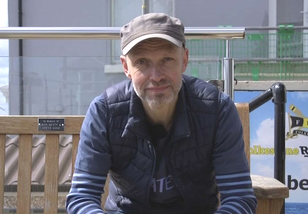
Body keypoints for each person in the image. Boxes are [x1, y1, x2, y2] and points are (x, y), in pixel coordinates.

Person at [66, 13, 257, 214]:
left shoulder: (217, 110)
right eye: (142, 62)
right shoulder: (104, 112)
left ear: (184, 60)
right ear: (126, 67)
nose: (156, 76)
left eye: (167, 59)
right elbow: (82, 198)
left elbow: (239, 197)